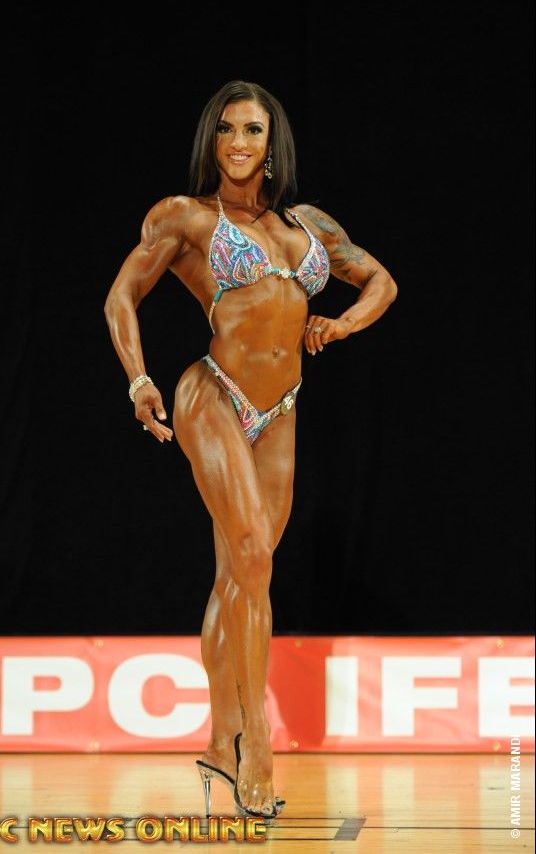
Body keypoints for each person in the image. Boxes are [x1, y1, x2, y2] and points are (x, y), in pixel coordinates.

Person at [104, 80, 397, 819]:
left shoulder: (308, 225)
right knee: (253, 558)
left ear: (273, 143)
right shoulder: (187, 217)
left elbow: (381, 281)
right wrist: (139, 379)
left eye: (253, 130)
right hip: (212, 393)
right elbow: (120, 297)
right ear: (212, 140)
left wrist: (341, 325)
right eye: (227, 129)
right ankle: (256, 743)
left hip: (282, 410)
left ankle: (217, 740)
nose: (238, 142)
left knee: (240, 576)